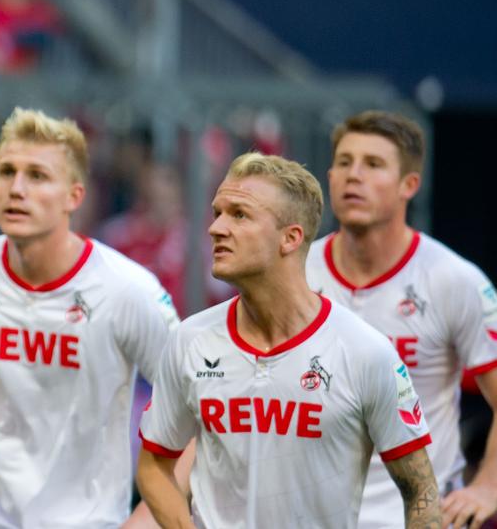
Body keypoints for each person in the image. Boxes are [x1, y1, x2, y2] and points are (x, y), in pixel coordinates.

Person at [137, 153, 442, 529]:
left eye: (239, 215)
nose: (216, 227)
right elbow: (154, 464)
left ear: (290, 238)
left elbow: (422, 492)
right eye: (218, 213)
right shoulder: (190, 339)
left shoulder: (365, 351)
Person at [0, 107, 181, 528]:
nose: (17, 188)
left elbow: (197, 413)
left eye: (38, 176)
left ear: (74, 197)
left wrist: (147, 519)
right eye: (7, 172)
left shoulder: (129, 290)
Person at [305, 111, 497, 529]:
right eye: (344, 162)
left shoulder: (454, 280)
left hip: (417, 517)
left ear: (409, 185)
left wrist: (487, 487)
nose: (353, 175)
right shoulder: (296, 274)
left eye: (373, 164)